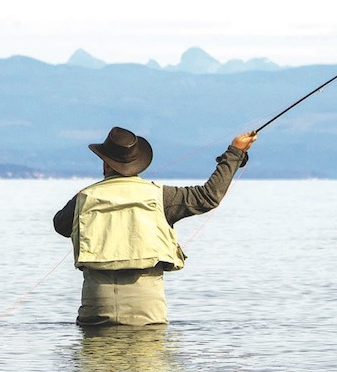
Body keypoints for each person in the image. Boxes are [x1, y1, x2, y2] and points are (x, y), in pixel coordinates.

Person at [53, 126, 257, 326]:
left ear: (105, 164)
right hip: (148, 310)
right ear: (138, 163)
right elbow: (208, 196)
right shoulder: (161, 196)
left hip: (96, 307)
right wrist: (235, 152)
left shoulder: (84, 198)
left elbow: (60, 225)